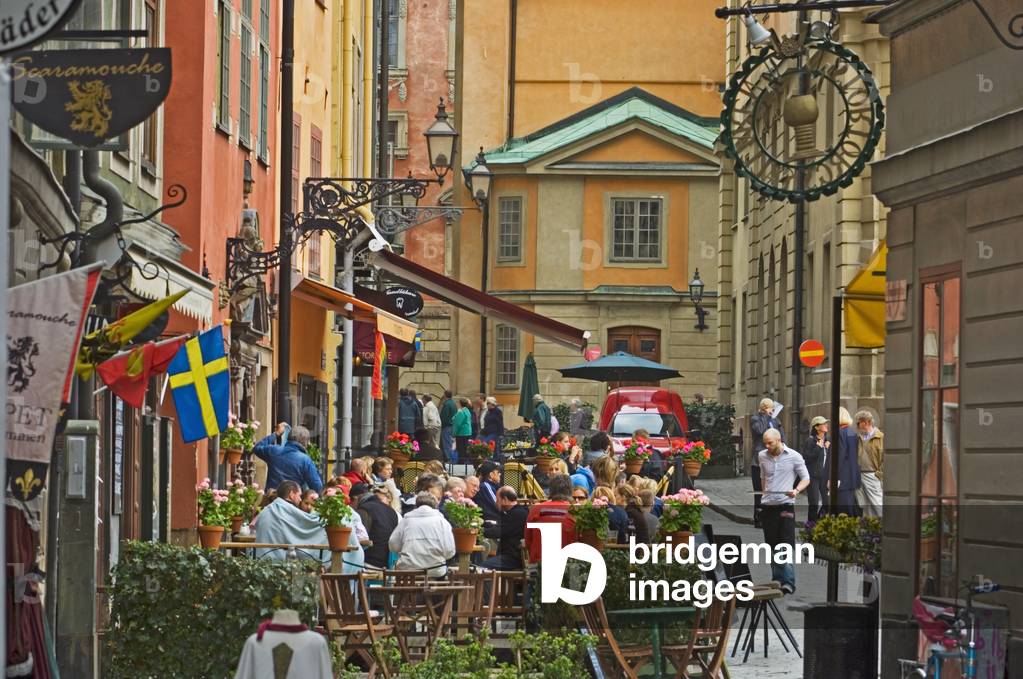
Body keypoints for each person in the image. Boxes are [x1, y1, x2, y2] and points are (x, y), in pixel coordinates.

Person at [758, 428, 809, 594]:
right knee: (772, 544)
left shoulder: (794, 456)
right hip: (768, 506)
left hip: (786, 504)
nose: (767, 445)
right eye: (765, 442)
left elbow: (806, 478)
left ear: (778, 439)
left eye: (770, 442)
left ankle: (788, 581)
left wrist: (796, 491)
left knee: (785, 543)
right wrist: (764, 494)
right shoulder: (762, 456)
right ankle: (777, 579)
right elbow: (763, 477)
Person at [388, 492, 456, 577]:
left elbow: (393, 545)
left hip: (408, 570)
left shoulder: (406, 521)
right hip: (435, 570)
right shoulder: (442, 522)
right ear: (435, 507)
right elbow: (450, 551)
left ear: (416, 505)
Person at [252, 423, 324, 493]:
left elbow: (257, 448)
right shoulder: (305, 460)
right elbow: (317, 487)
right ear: (305, 442)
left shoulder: (274, 451)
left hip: (271, 499)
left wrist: (276, 433)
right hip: (292, 501)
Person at [524, 474, 575, 564]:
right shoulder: (576, 512)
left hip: (538, 565)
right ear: (570, 491)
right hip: (567, 565)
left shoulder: (535, 510)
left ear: (551, 490)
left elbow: (528, 542)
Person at [750, 398, 784, 527]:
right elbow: (760, 430)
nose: (773, 411)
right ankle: (758, 518)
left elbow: (781, 435)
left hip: (774, 459)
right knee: (760, 490)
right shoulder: (755, 419)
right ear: (764, 408)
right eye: (770, 408)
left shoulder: (775, 420)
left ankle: (771, 517)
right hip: (759, 461)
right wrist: (766, 416)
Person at [352, 482, 400, 570]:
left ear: (356, 499)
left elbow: (360, 538)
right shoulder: (391, 511)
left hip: (368, 563)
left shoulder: (363, 510)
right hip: (388, 564)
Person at [481, 486, 529, 570]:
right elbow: (500, 527)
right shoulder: (515, 512)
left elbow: (498, 531)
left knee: (482, 568)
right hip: (510, 555)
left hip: (513, 558)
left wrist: (478, 531)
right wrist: (483, 524)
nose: (496, 503)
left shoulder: (517, 514)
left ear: (505, 499)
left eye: (497, 500)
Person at [854, 410, 884, 518]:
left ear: (866, 422)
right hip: (860, 475)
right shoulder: (859, 438)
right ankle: (871, 531)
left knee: (877, 504)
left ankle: (886, 528)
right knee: (866, 506)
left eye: (858, 423)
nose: (857, 426)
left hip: (873, 475)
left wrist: (878, 474)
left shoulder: (880, 437)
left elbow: (885, 459)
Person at [834, 407, 863, 515]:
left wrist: (833, 476)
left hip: (843, 477)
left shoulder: (840, 433)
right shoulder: (852, 432)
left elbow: (840, 456)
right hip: (852, 476)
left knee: (843, 510)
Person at [802, 416, 831, 520]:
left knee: (827, 503)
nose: (826, 425)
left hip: (825, 476)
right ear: (817, 427)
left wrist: (828, 448)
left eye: (826, 423)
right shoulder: (810, 441)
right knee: (814, 503)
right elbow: (807, 458)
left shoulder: (827, 441)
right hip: (813, 476)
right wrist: (818, 447)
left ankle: (819, 523)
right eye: (823, 424)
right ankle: (811, 528)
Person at [451, 398, 473, 463]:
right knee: (466, 448)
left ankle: (461, 461)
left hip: (461, 433)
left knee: (461, 449)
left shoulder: (461, 412)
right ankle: (467, 461)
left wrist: (454, 433)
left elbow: (458, 424)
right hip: (468, 432)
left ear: (460, 404)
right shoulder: (467, 411)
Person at [439, 390, 458, 462]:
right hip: (452, 425)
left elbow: (444, 417)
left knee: (446, 443)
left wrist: (442, 424)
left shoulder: (447, 404)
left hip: (447, 426)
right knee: (450, 443)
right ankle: (449, 458)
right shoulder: (453, 403)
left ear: (445, 395)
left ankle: (448, 458)